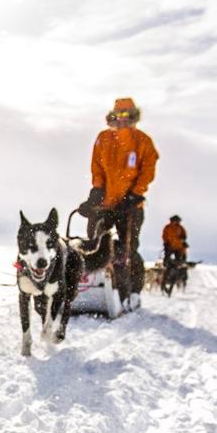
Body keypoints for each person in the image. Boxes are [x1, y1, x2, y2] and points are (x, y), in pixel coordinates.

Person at [81, 97, 157, 297]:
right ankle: (92, 286)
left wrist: (135, 194)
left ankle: (129, 290)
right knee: (95, 244)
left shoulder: (143, 141)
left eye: (127, 115)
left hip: (131, 206)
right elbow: (96, 167)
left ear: (133, 116)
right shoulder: (103, 138)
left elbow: (147, 170)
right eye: (118, 115)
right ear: (112, 116)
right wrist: (96, 190)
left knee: (128, 249)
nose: (122, 119)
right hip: (105, 204)